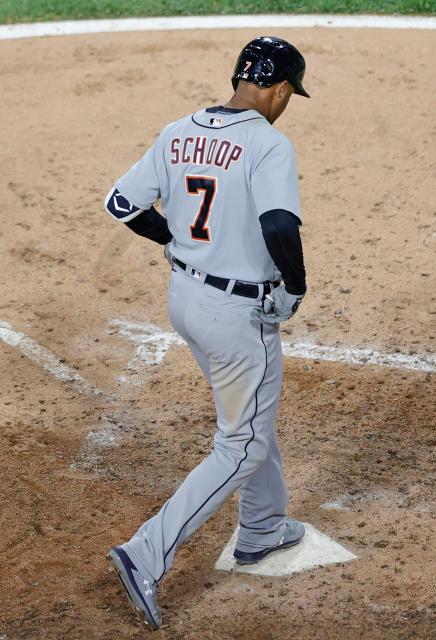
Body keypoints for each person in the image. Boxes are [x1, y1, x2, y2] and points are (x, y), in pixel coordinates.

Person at [102, 36, 311, 630]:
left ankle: (263, 526)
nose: (286, 103)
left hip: (185, 302)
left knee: (251, 418)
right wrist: (294, 287)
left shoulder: (177, 131)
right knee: (241, 443)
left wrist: (172, 239)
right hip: (237, 316)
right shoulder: (269, 144)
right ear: (277, 89)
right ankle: (146, 552)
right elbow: (278, 224)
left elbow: (121, 203)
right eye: (289, 93)